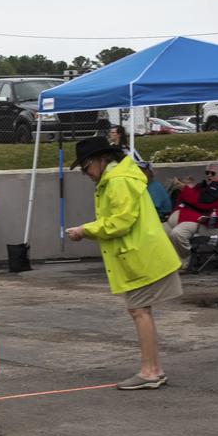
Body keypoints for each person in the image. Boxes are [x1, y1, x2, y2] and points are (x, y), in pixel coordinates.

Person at [65, 136, 181, 390]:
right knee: (141, 310)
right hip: (141, 253)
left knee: (139, 311)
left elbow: (120, 222)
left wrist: (85, 230)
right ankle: (153, 369)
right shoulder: (116, 178)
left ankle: (150, 372)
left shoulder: (117, 180)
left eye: (86, 167)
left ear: (100, 160)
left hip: (141, 256)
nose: (86, 173)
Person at [163, 161, 218, 260]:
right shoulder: (206, 185)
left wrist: (185, 188)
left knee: (177, 234)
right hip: (190, 218)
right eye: (207, 173)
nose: (209, 175)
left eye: (212, 173)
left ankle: (183, 260)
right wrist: (188, 187)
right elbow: (189, 199)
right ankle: (167, 261)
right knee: (159, 231)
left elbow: (203, 203)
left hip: (206, 222)